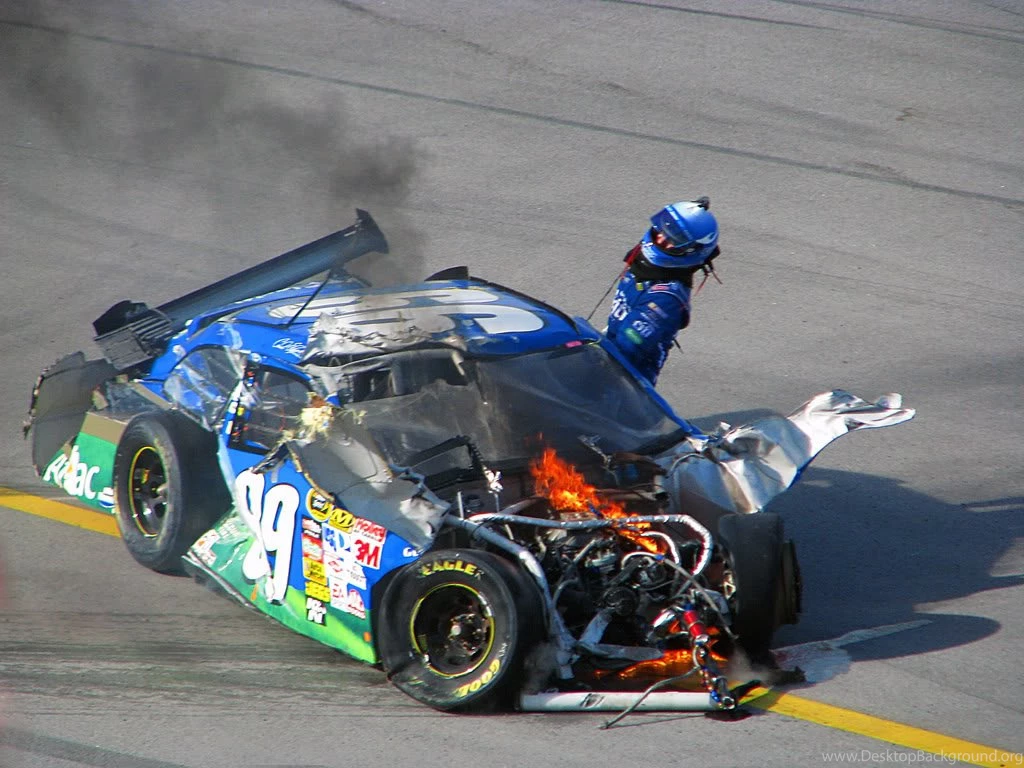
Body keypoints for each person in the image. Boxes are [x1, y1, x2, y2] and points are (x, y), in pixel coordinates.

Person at [605, 197, 720, 384]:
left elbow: (627, 348)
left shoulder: (665, 299)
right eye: (663, 228)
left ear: (690, 252)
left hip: (625, 382)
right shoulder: (643, 262)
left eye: (673, 240)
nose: (660, 238)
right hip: (608, 356)